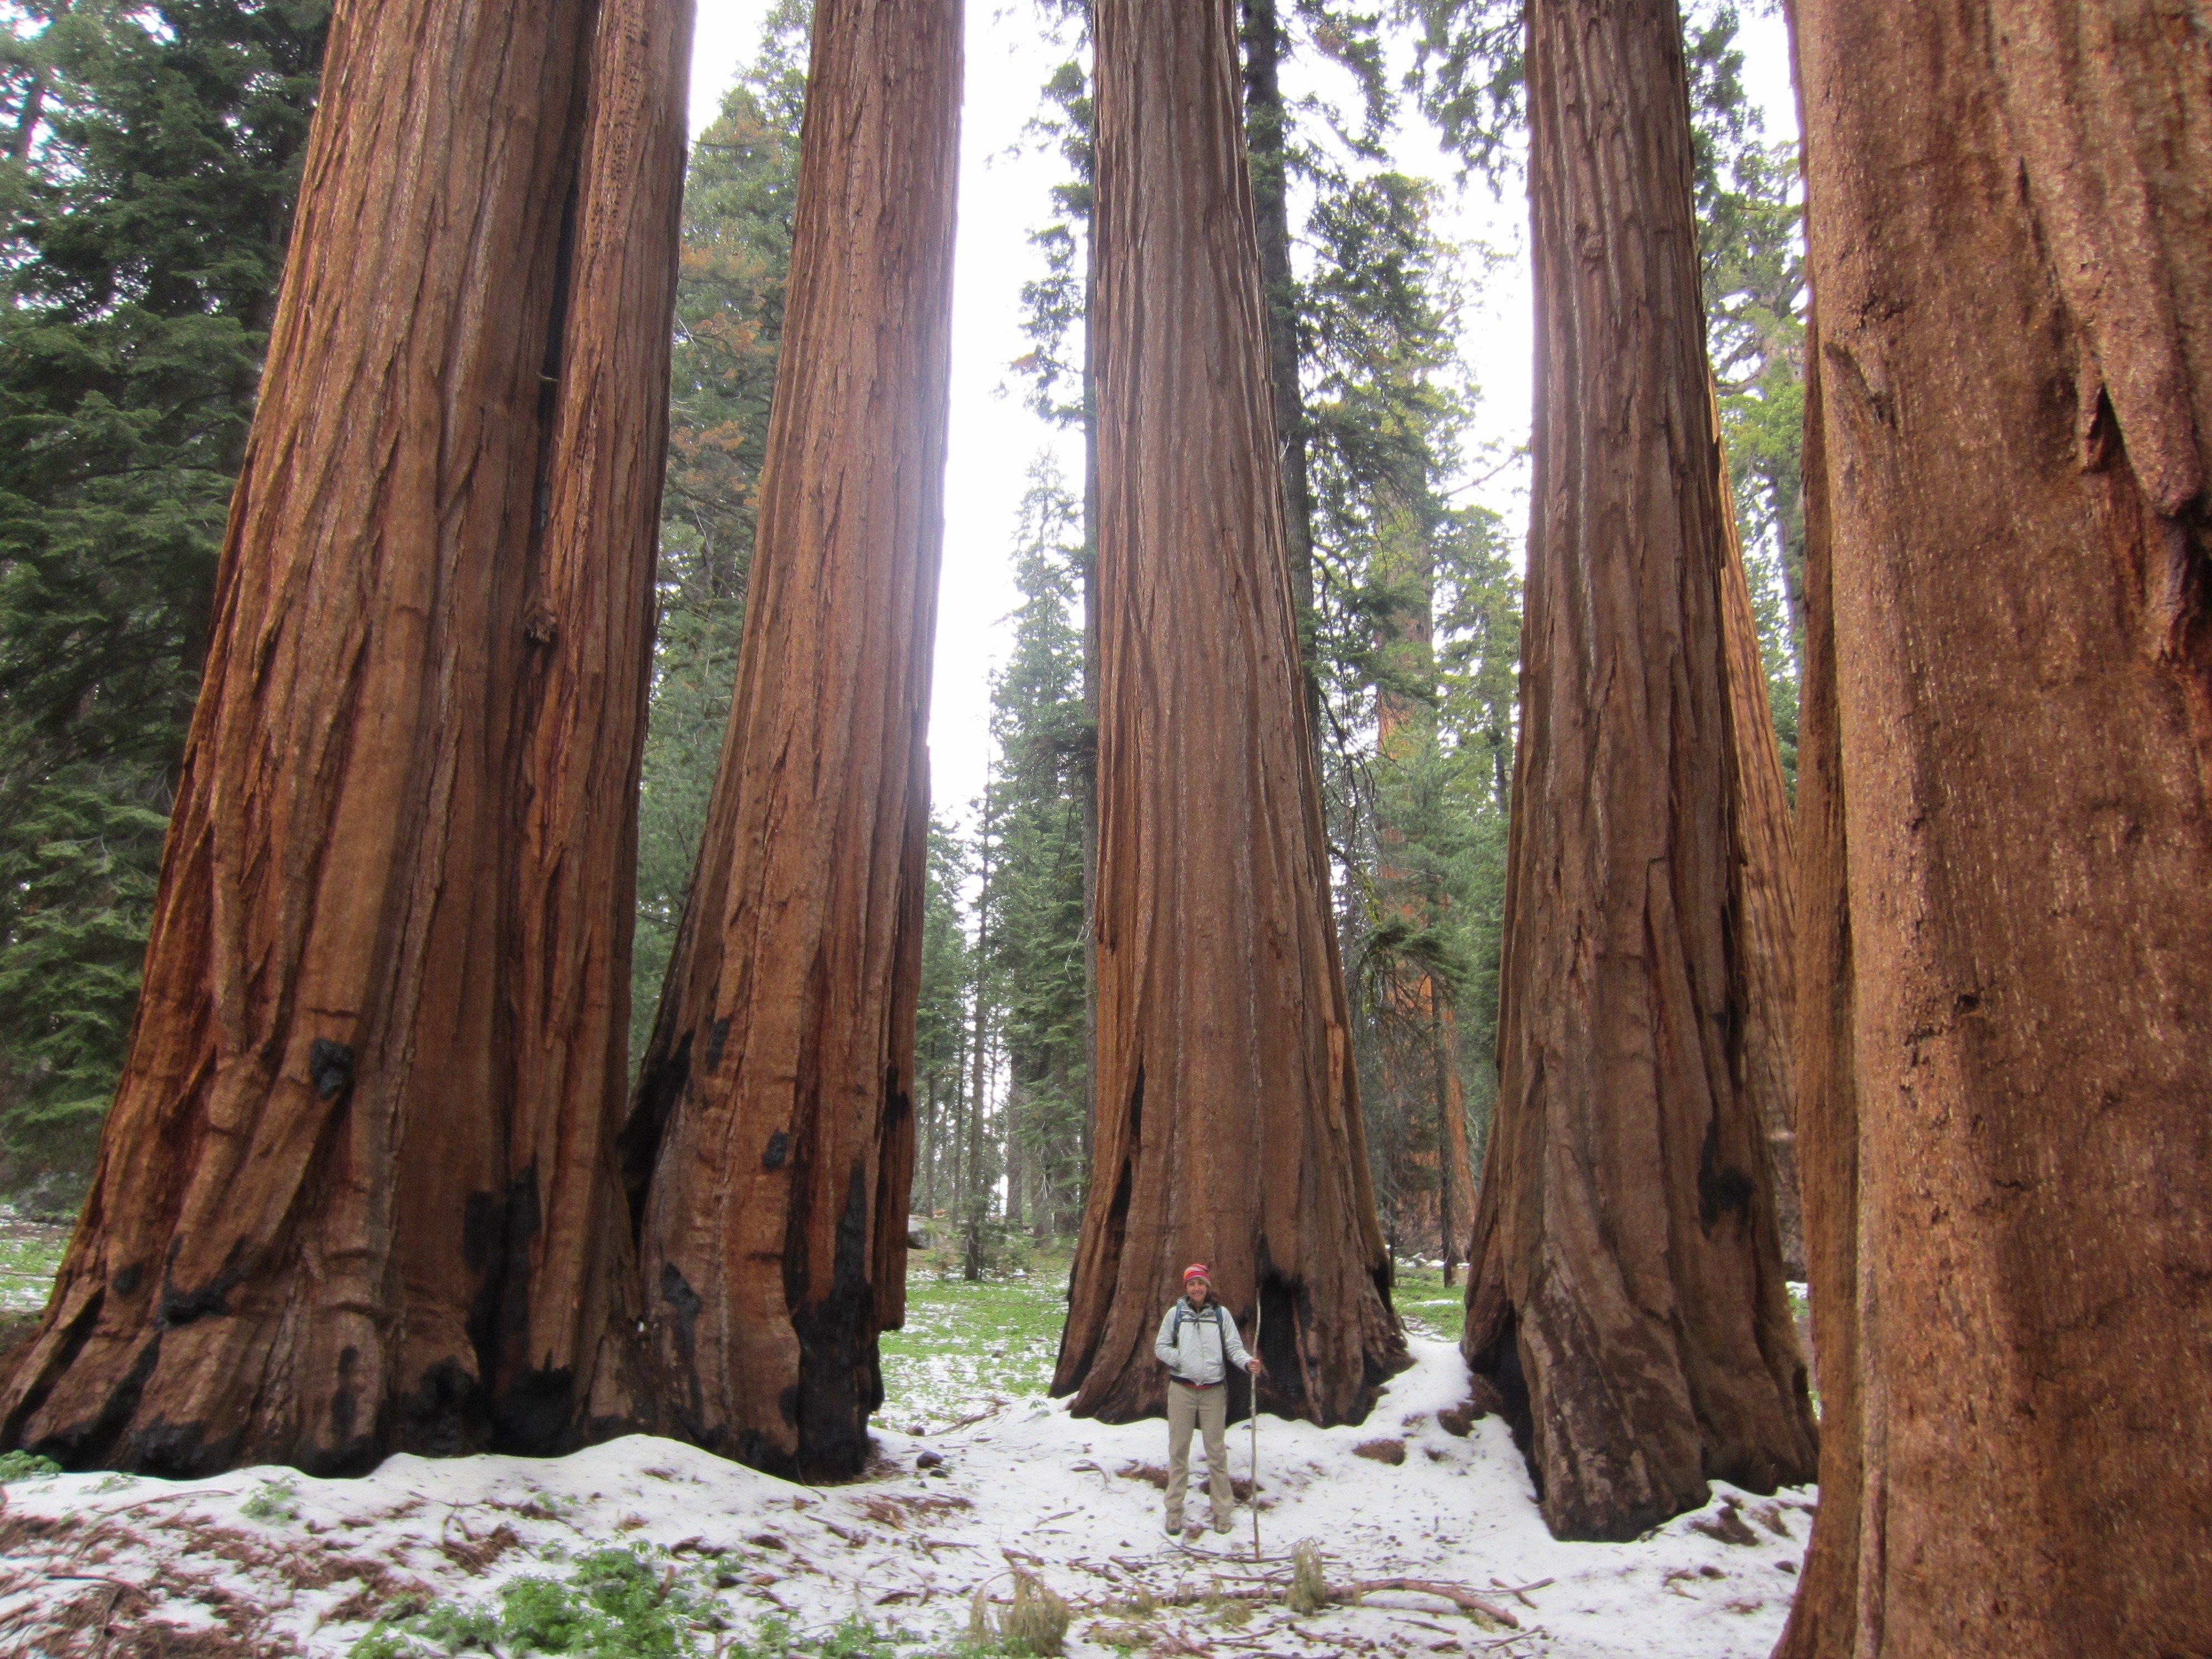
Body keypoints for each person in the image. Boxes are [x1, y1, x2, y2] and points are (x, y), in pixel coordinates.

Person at [1154, 1263, 1263, 1537]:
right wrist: (1181, 1360)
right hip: (1182, 1390)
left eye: (1201, 1283)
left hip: (1213, 1392)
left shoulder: (1220, 1315)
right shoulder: (1175, 1315)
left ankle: (1222, 1512)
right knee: (1178, 1451)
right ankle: (1174, 1512)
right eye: (1192, 1284)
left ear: (1208, 1286)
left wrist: (1247, 1362)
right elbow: (1161, 1346)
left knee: (1216, 1453)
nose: (1197, 1288)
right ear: (1186, 1288)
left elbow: (1234, 1347)